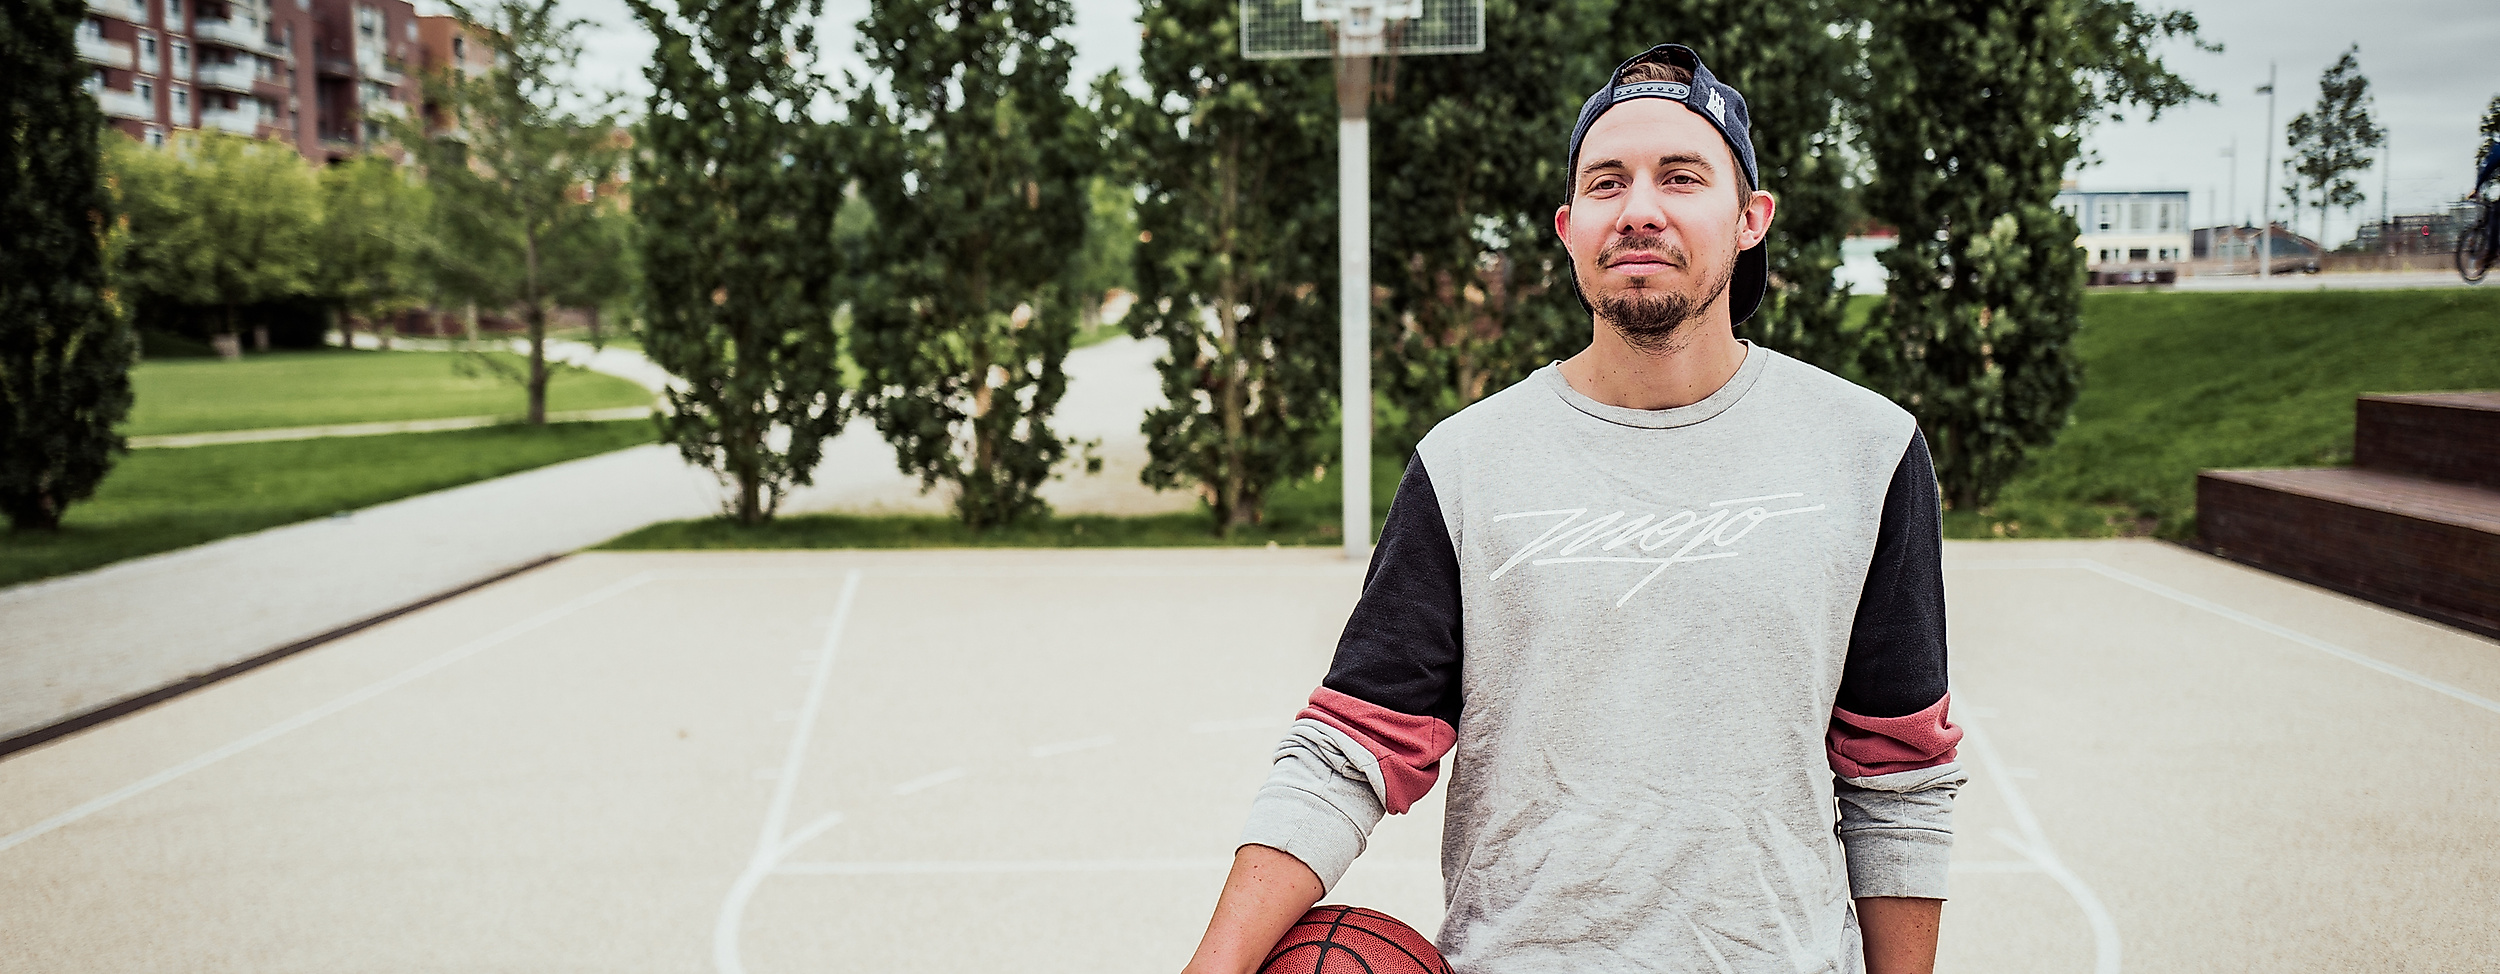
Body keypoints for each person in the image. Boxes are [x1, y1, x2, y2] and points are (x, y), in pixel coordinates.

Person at [1180, 44, 1964, 974]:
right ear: (1568, 226)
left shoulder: (1866, 450)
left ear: (1751, 218)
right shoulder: (1468, 462)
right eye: (1607, 182)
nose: (1639, 209)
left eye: (1681, 176)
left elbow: (1899, 773)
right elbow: (1351, 745)